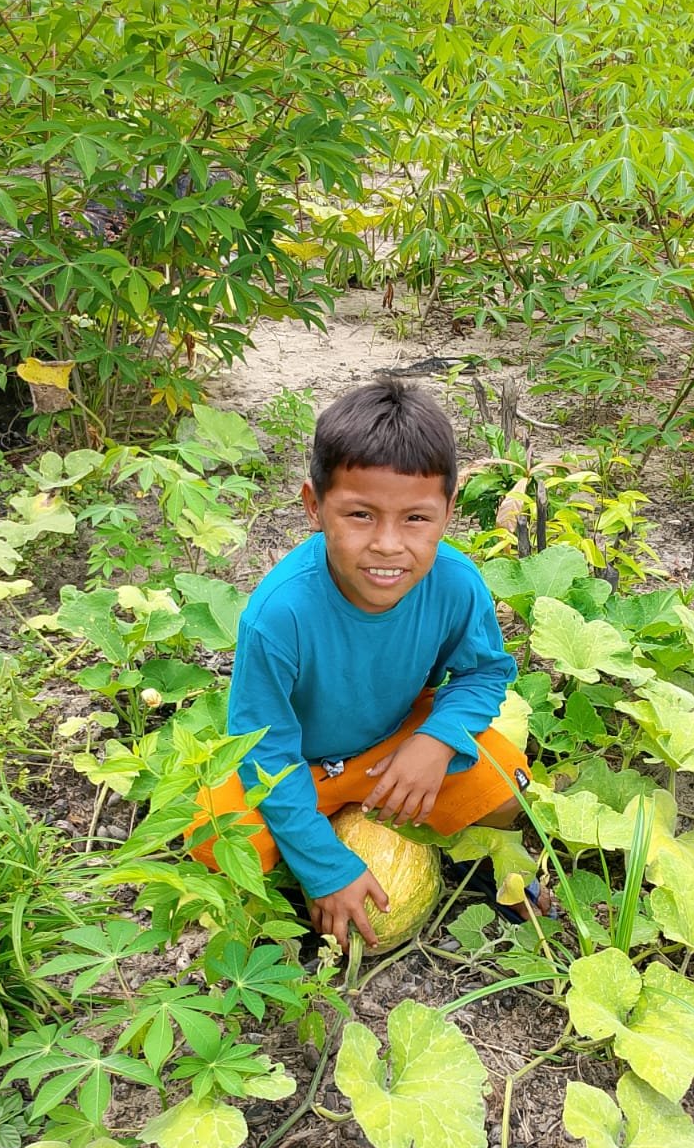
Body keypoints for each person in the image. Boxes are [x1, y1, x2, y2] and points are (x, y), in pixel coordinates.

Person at [191, 379, 533, 952]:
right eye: (360, 515)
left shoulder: (456, 583)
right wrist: (325, 867)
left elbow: (484, 673)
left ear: (449, 511)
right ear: (314, 506)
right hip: (298, 765)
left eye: (416, 518)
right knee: (213, 839)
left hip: (395, 745)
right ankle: (328, 834)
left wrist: (436, 742)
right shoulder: (279, 614)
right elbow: (263, 749)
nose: (388, 545)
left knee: (505, 791)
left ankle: (381, 826)